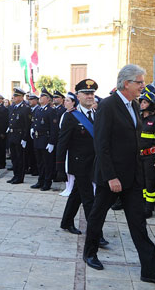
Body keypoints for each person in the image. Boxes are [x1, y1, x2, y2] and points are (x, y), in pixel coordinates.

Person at [82, 65, 155, 285]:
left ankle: (150, 270)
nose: (143, 86)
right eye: (140, 82)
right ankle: (90, 253)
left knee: (138, 222)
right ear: (127, 83)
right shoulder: (108, 106)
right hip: (111, 175)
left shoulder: (133, 105)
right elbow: (101, 144)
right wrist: (111, 176)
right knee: (98, 215)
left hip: (132, 176)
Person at [57, 79, 107, 247]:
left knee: (77, 193)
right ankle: (96, 235)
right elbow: (62, 143)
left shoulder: (97, 114)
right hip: (79, 164)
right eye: (86, 93)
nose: (89, 96)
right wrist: (59, 167)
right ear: (78, 96)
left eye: (92, 93)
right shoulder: (71, 116)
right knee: (89, 200)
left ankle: (66, 222)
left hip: (94, 163)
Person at [138, 91, 155, 218]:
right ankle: (142, 205)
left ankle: (149, 208)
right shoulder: (139, 119)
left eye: (145, 102)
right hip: (140, 156)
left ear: (151, 104)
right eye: (142, 102)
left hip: (151, 157)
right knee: (142, 182)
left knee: (150, 183)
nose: (142, 104)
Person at [30, 88, 59, 191]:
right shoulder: (38, 109)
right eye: (40, 96)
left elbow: (54, 128)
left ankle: (47, 182)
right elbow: (35, 122)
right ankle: (40, 180)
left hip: (46, 139)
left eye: (42, 97)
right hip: (37, 139)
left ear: (48, 99)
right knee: (40, 162)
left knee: (47, 162)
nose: (40, 98)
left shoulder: (51, 111)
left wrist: (51, 142)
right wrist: (32, 129)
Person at [6, 88, 31, 184]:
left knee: (20, 158)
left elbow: (27, 125)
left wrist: (25, 138)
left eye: (16, 96)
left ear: (21, 97)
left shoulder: (25, 108)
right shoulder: (13, 107)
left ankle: (20, 177)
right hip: (12, 134)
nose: (13, 98)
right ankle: (15, 175)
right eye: (14, 96)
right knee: (14, 158)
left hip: (20, 136)